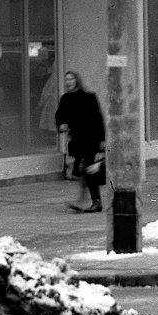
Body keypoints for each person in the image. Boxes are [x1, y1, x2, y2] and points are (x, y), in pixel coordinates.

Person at [56, 71, 107, 213]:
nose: (68, 82)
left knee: (88, 169)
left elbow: (98, 118)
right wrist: (61, 125)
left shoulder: (89, 97)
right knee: (80, 170)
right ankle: (86, 199)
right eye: (66, 79)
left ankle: (96, 202)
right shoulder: (65, 98)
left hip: (90, 138)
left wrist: (102, 139)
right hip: (76, 140)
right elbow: (60, 116)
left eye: (71, 79)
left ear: (76, 80)